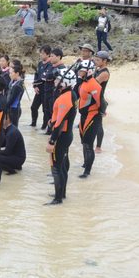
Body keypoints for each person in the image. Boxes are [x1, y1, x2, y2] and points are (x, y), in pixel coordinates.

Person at [45, 67, 78, 205]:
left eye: (58, 80)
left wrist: (51, 141)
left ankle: (58, 199)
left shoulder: (65, 98)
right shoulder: (71, 95)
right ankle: (61, 194)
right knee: (62, 165)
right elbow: (59, 119)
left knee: (56, 168)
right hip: (66, 134)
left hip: (61, 136)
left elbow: (59, 124)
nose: (55, 82)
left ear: (65, 83)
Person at [77, 60, 104, 179]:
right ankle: (85, 164)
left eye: (81, 70)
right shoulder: (83, 82)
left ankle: (87, 171)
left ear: (88, 71)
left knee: (88, 144)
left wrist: (101, 113)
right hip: (84, 115)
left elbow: (101, 102)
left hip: (92, 116)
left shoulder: (94, 85)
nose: (79, 71)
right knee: (84, 143)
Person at [0, 111, 26, 189]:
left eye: (2, 119)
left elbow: (7, 151)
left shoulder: (12, 132)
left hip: (19, 159)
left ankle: (12, 171)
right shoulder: (9, 129)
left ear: (7, 120)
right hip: (16, 156)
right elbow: (4, 145)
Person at [43, 48, 66, 135]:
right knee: (47, 112)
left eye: (52, 56)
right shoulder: (51, 66)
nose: (50, 58)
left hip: (55, 95)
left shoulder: (62, 68)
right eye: (50, 56)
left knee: (54, 114)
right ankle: (49, 131)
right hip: (47, 93)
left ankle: (54, 133)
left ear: (59, 57)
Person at [94, 51, 111, 153]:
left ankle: (98, 147)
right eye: (95, 59)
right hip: (95, 99)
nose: (95, 61)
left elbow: (93, 83)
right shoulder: (98, 69)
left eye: (98, 60)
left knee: (99, 124)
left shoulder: (104, 73)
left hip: (99, 101)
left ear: (104, 61)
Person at [30, 45, 51, 128]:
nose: (41, 55)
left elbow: (44, 77)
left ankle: (44, 126)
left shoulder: (50, 64)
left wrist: (38, 83)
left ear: (48, 54)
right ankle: (33, 123)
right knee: (33, 107)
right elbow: (36, 75)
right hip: (38, 89)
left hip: (46, 89)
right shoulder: (40, 64)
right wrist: (35, 86)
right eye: (40, 53)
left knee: (45, 110)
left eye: (42, 53)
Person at [6, 60, 25, 127]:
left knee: (13, 127)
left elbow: (11, 99)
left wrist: (4, 107)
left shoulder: (18, 85)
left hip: (14, 110)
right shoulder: (14, 81)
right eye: (9, 73)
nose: (9, 75)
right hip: (13, 108)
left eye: (11, 73)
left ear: (17, 73)